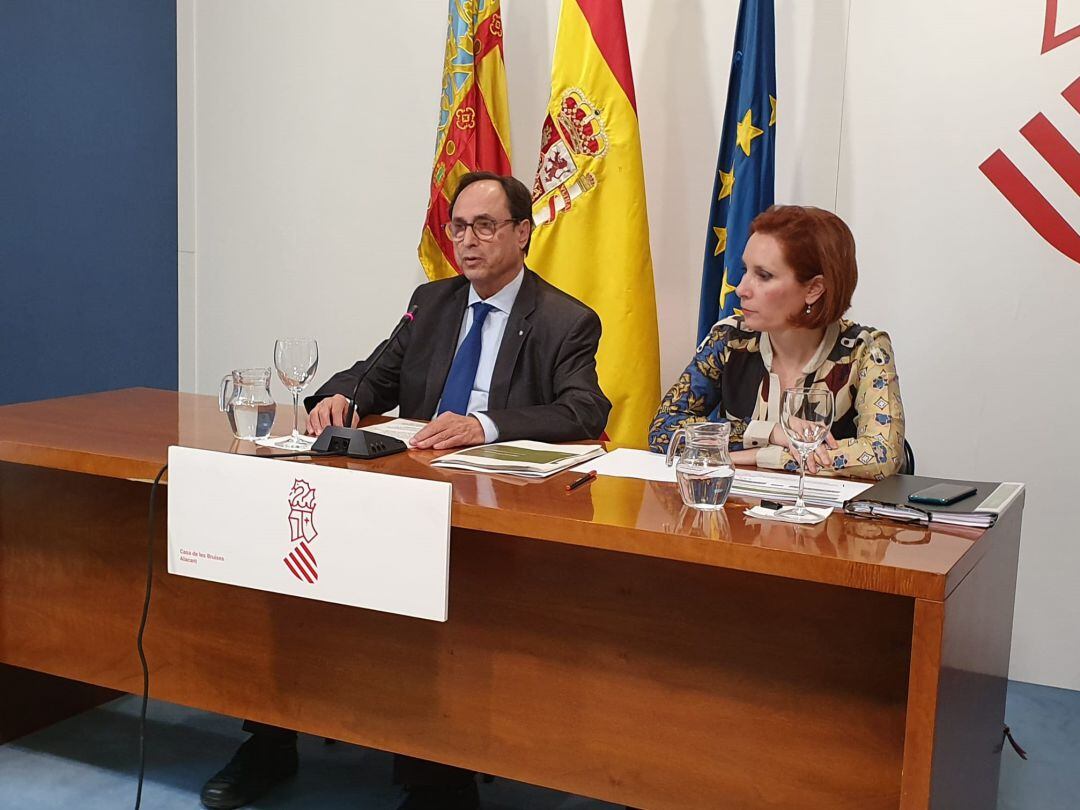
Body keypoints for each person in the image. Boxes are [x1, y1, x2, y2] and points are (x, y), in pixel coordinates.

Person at [198, 172, 609, 810]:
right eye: (458, 227)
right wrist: (339, 396)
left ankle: (436, 780)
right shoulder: (434, 301)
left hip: (490, 513)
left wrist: (484, 425)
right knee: (288, 574)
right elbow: (374, 375)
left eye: (485, 227)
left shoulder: (564, 319)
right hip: (402, 492)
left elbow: (584, 410)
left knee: (430, 611)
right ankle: (271, 738)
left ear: (522, 233)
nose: (467, 242)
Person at [649, 205, 904, 480]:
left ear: (813, 289)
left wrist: (760, 456)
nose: (741, 289)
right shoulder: (730, 339)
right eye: (746, 270)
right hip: (736, 513)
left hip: (824, 518)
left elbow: (882, 455)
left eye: (764, 276)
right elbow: (664, 429)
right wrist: (770, 432)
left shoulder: (865, 350)